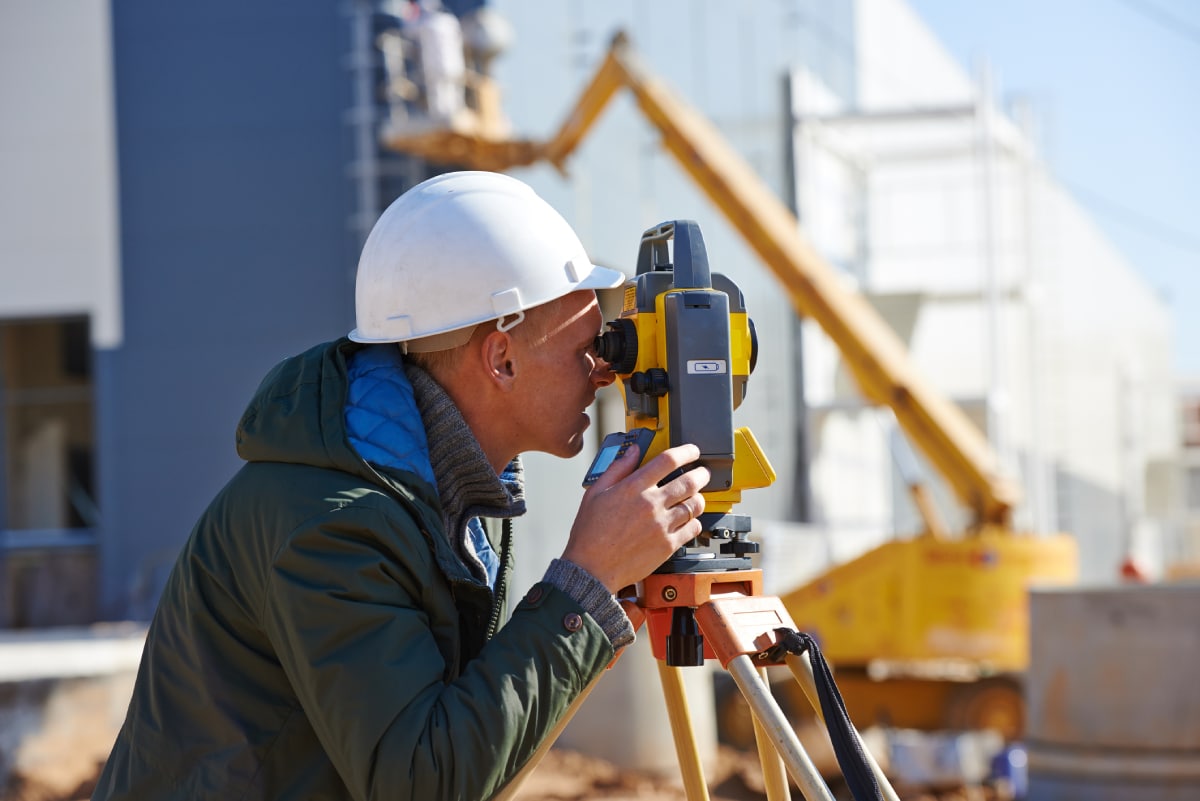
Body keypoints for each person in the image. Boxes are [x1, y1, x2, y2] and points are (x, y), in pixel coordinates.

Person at [92, 171, 710, 801]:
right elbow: (422, 781)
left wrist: (596, 610)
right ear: (502, 358)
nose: (605, 371)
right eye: (586, 345)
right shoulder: (331, 521)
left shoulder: (450, 495)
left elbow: (468, 753)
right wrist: (583, 586)